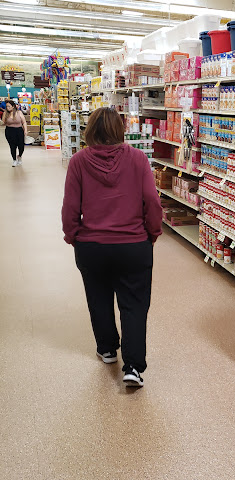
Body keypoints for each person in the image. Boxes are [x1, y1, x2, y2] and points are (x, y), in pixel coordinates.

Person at [61, 107, 163, 388]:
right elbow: (152, 201)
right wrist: (152, 233)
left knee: (98, 298)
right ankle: (133, 367)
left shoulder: (78, 162)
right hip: (133, 245)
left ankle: (107, 350)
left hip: (92, 246)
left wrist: (72, 235)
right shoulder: (138, 158)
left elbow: (70, 206)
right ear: (120, 130)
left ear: (90, 130)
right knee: (134, 304)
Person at [2, 99, 26, 167]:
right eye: (7, 106)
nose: (8, 108)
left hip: (19, 131)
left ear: (13, 106)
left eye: (9, 106)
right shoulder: (5, 113)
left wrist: (25, 131)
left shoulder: (19, 113)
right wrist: (3, 120)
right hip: (9, 131)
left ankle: (19, 156)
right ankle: (14, 160)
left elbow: (24, 122)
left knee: (21, 146)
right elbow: (3, 122)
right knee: (12, 146)